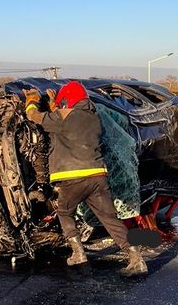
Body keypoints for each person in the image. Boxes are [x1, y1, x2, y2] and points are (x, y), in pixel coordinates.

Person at [23, 81, 147, 275]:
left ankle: (78, 253)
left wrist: (32, 101)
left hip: (73, 178)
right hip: (98, 177)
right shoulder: (93, 117)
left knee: (64, 212)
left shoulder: (64, 116)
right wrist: (55, 106)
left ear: (68, 101)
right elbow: (65, 121)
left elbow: (35, 117)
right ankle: (136, 259)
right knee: (110, 219)